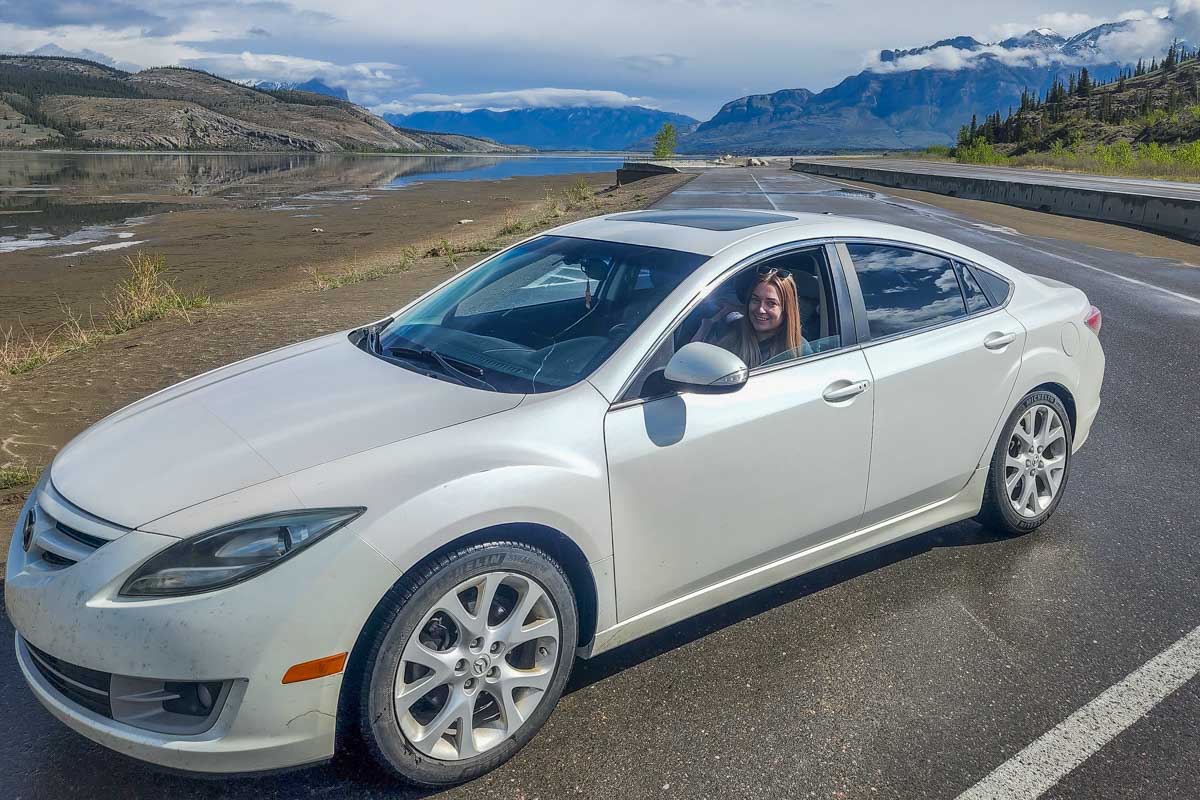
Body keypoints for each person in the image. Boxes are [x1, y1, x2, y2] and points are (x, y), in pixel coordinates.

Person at [693, 267, 805, 368]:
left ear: (786, 310)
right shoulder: (729, 334)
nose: (761, 309)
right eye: (755, 300)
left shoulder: (799, 351)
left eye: (771, 303)